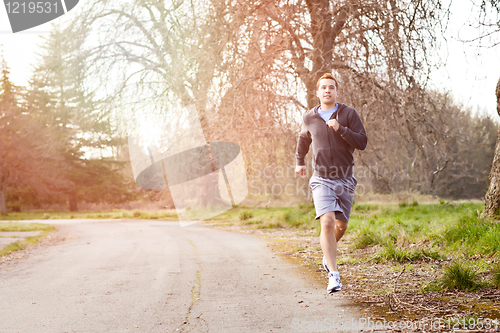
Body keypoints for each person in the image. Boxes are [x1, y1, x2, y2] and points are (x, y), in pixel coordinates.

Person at [295, 73, 367, 293]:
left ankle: (328, 255)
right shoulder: (309, 117)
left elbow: (362, 142)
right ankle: (333, 275)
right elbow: (303, 139)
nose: (327, 91)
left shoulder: (348, 114)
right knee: (326, 222)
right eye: (323, 88)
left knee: (341, 226)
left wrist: (341, 129)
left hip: (345, 178)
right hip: (321, 178)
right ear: (317, 93)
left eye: (331, 87)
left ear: (336, 92)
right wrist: (299, 161)